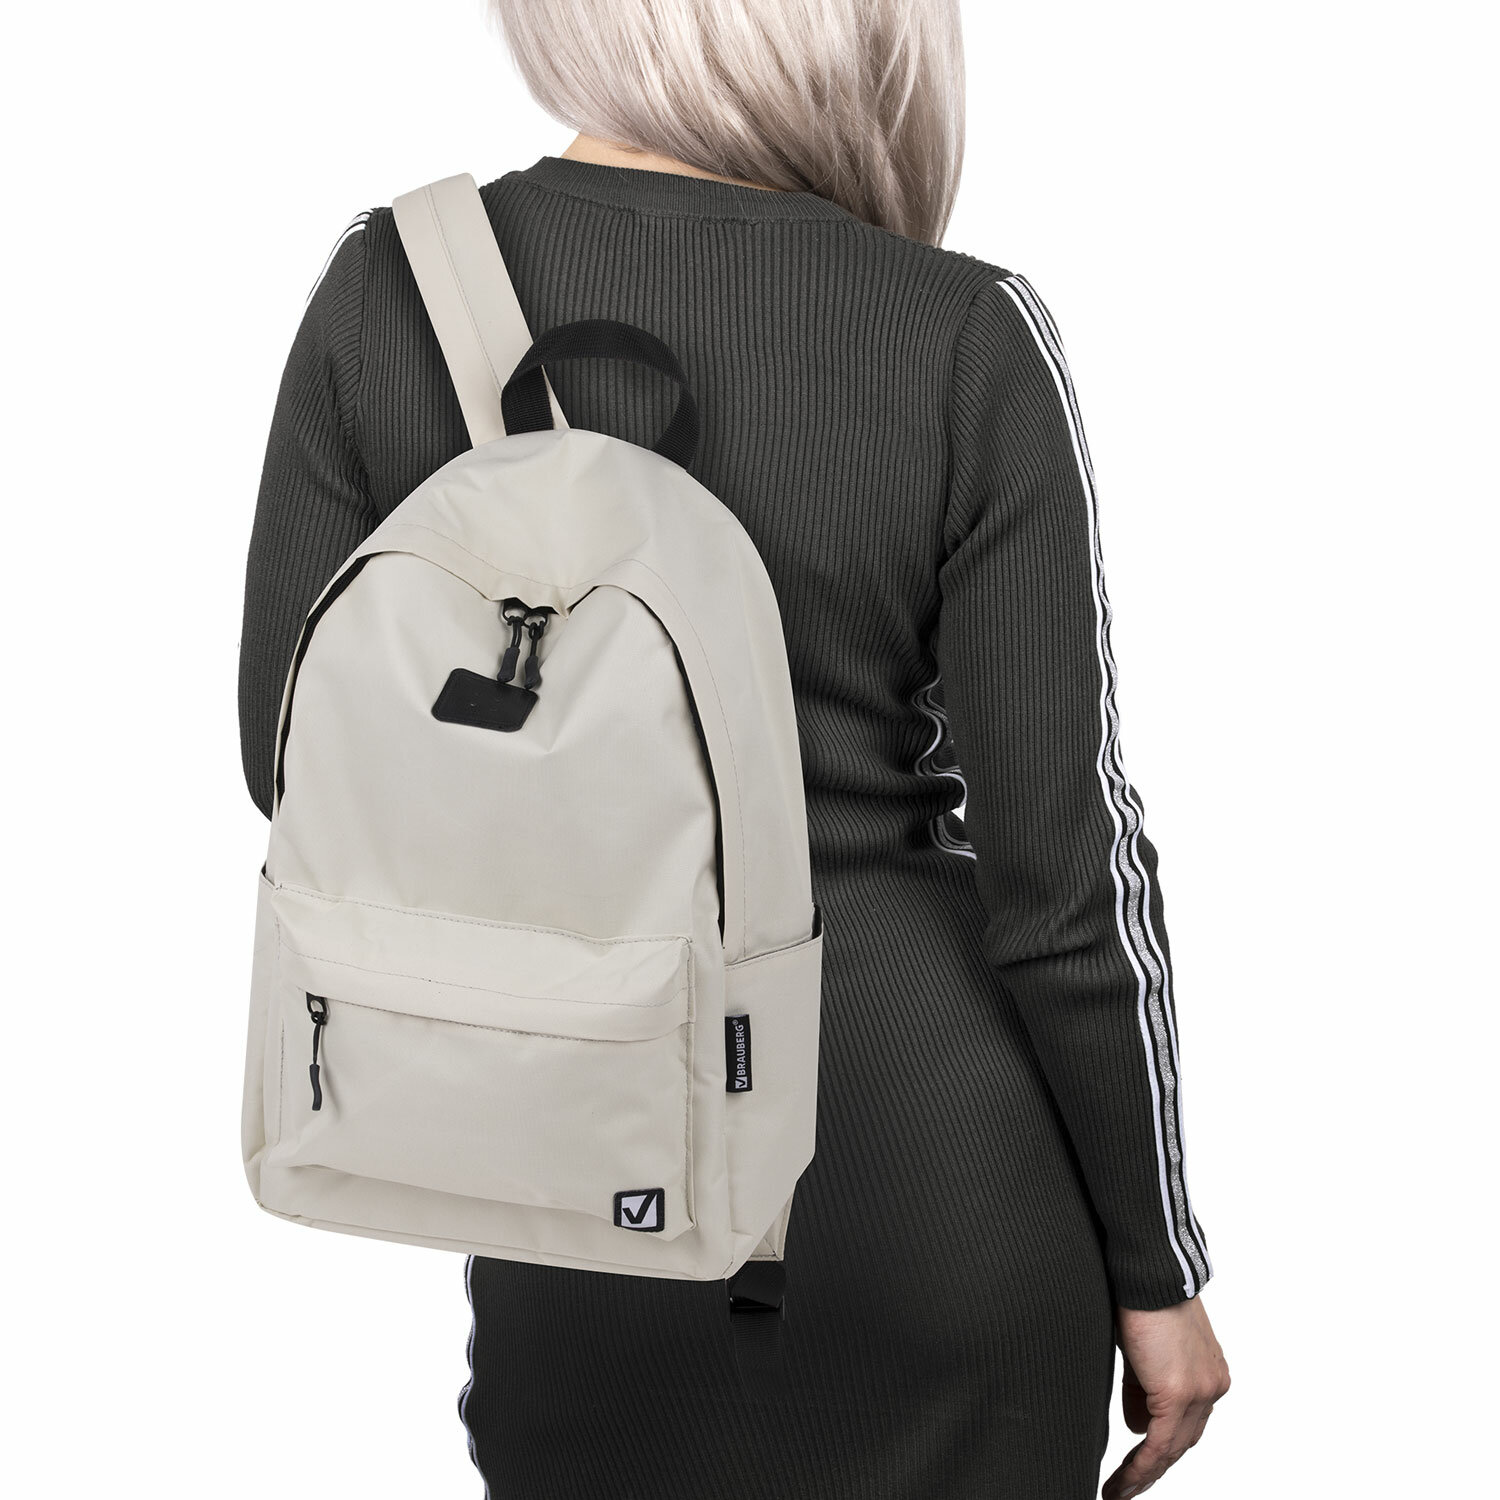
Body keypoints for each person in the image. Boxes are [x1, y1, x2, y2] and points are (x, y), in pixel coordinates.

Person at [236, 2, 1230, 1495]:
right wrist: (1159, 1267)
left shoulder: (394, 287)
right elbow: (1066, 879)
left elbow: (293, 753)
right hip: (930, 1177)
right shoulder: (960, 331)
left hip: (590, 1159)